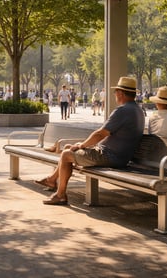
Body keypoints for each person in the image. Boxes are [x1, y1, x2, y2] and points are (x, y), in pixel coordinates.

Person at [35, 77, 144, 205]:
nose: (114, 94)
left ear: (120, 93)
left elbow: (100, 134)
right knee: (68, 147)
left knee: (66, 155)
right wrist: (82, 146)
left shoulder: (123, 111)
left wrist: (82, 145)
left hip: (110, 156)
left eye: (116, 92)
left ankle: (60, 195)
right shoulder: (138, 110)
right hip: (117, 156)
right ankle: (52, 180)